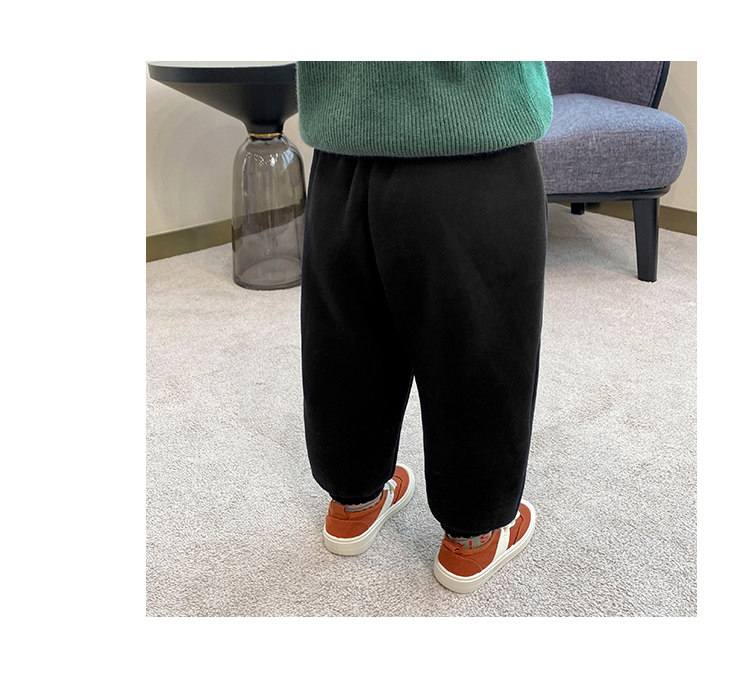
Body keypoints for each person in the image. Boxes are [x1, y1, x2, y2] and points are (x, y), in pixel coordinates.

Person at [296, 61, 552, 594]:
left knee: (345, 333)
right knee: (479, 339)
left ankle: (352, 503)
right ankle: (473, 537)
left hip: (344, 137)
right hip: (472, 134)